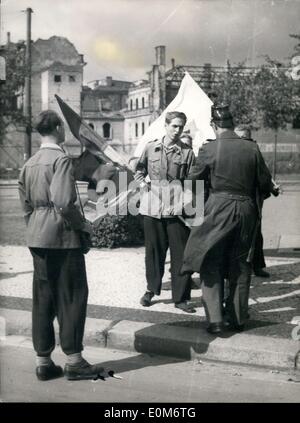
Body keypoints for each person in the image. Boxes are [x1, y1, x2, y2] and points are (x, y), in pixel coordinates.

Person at [18, 110, 107, 381]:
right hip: (62, 237)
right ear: (57, 128)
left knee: (43, 299)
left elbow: (25, 207)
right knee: (71, 296)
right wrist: (84, 226)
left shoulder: (29, 163)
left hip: (37, 235)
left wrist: (36, 228)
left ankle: (43, 361)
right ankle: (74, 361)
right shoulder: (61, 159)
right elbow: (63, 202)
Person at [181, 105, 274, 333]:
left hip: (218, 209)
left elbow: (192, 181)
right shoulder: (251, 148)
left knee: (210, 262)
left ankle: (216, 321)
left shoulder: (209, 149)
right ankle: (238, 320)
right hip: (246, 211)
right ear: (232, 124)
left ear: (214, 125)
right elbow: (264, 183)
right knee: (241, 265)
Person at [135, 111, 196, 313]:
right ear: (166, 125)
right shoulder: (151, 147)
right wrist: (142, 183)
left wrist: (180, 206)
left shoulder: (187, 153)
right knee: (153, 253)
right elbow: (139, 170)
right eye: (174, 126)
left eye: (181, 127)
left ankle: (181, 298)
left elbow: (192, 184)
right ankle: (151, 290)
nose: (177, 131)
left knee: (180, 255)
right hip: (152, 209)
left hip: (176, 211)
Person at [234, 125, 280, 277]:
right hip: (233, 198)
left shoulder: (254, 150)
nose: (243, 141)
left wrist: (272, 187)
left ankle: (257, 265)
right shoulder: (229, 151)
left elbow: (263, 172)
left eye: (245, 137)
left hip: (252, 198)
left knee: (255, 232)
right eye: (239, 137)